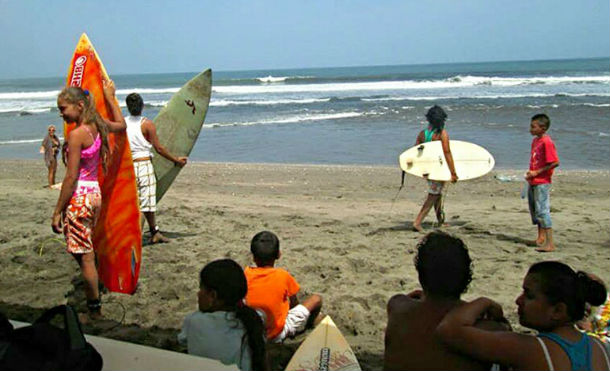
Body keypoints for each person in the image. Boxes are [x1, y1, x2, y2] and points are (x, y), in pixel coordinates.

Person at [437, 261, 610, 371]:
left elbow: (449, 329)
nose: (518, 300)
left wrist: (485, 302)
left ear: (557, 311)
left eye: (529, 295)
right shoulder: (599, 348)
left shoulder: (529, 348)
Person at [51, 81, 126, 320]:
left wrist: (57, 211)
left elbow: (71, 177)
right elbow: (122, 125)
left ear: (79, 105)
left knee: (84, 258)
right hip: (94, 194)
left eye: (64, 108)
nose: (61, 113)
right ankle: (95, 288)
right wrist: (111, 98)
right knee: (85, 253)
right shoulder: (98, 126)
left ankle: (95, 310)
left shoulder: (76, 135)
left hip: (80, 198)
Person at [384, 231, 510, 371]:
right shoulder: (487, 329)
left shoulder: (397, 306)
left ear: (421, 277)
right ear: (467, 277)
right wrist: (484, 304)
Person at [178, 259, 267, 371]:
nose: (198, 294)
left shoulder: (193, 321)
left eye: (201, 289)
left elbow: (183, 341)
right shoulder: (255, 319)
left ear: (213, 296)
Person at [124, 92, 187, 244]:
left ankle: (153, 232)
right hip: (144, 165)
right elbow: (158, 148)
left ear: (127, 107)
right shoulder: (147, 124)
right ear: (142, 106)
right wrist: (176, 160)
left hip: (128, 166)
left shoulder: (122, 123)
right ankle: (139, 238)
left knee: (139, 202)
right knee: (146, 204)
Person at [244, 231, 322, 342]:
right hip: (275, 334)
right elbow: (294, 304)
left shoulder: (245, 274)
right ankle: (311, 323)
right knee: (316, 299)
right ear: (278, 254)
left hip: (249, 334)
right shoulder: (283, 276)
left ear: (253, 257)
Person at [412, 105, 458, 232]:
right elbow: (447, 152)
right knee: (433, 195)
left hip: (427, 170)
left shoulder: (422, 134)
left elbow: (415, 152)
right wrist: (453, 173)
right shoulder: (442, 134)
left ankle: (440, 221)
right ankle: (417, 222)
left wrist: (420, 169)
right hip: (439, 170)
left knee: (437, 194)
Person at [526, 113, 559, 252]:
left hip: (542, 181)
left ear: (543, 128)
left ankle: (550, 243)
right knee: (535, 210)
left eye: (534, 127)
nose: (530, 129)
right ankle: (541, 238)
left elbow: (555, 162)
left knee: (542, 211)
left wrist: (537, 172)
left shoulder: (547, 142)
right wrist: (531, 173)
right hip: (533, 180)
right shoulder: (536, 141)